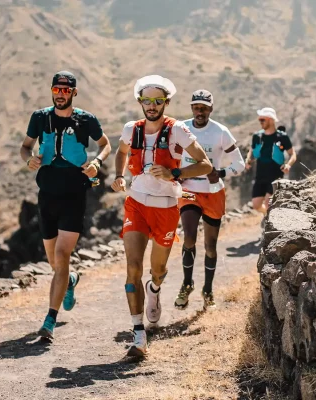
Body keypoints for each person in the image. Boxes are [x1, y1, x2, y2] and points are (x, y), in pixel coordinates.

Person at [111, 75, 213, 358]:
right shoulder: (132, 129)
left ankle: (154, 288)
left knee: (157, 270)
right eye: (147, 100)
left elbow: (204, 165)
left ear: (166, 102)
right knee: (133, 267)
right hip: (136, 204)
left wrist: (174, 173)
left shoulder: (178, 130)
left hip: (166, 207)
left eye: (158, 101)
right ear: (140, 102)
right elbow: (121, 152)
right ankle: (138, 333)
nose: (152, 105)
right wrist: (119, 176)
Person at [20, 70, 111, 341]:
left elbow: (105, 145)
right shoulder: (39, 118)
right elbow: (25, 147)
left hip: (74, 194)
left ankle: (49, 320)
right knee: (54, 262)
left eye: (66, 90)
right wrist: (28, 159)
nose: (61, 94)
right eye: (57, 89)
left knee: (62, 257)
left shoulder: (86, 119)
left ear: (74, 92)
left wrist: (97, 162)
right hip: (46, 195)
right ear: (52, 90)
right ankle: (69, 281)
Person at [174, 90, 245, 311]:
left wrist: (221, 172)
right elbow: (170, 154)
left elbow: (240, 163)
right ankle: (187, 284)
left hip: (213, 191)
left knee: (210, 247)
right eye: (196, 107)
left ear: (211, 109)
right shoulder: (181, 128)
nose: (200, 112)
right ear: (191, 108)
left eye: (204, 108)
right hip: (188, 190)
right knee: (189, 238)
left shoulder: (221, 132)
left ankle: (208, 290)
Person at [245, 108, 296, 214]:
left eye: (263, 120)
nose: (260, 122)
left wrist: (288, 165)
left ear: (271, 120)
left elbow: (292, 154)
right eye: (260, 120)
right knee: (256, 205)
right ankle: (267, 215)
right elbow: (252, 149)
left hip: (275, 176)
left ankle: (270, 222)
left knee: (269, 203)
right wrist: (248, 159)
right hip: (260, 176)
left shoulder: (282, 137)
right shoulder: (257, 136)